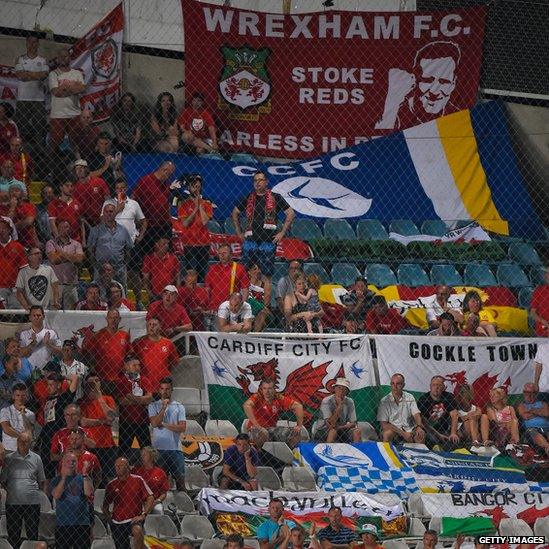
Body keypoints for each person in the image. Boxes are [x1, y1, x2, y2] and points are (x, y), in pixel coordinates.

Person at [375, 41, 461, 130]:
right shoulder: (397, 113)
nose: (433, 91)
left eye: (444, 82)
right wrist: (392, 105)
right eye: (427, 81)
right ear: (415, 80)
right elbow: (381, 136)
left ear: (453, 83)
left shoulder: (457, 116)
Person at [232, 171, 295, 284]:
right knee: (246, 274)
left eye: (260, 180)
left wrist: (282, 233)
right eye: (255, 180)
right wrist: (239, 232)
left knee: (266, 276)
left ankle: (265, 302)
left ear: (266, 182)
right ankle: (247, 300)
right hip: (250, 242)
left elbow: (291, 213)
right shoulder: (248, 198)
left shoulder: (276, 197)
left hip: (268, 242)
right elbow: (235, 212)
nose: (257, 183)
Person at [131, 161, 176, 309]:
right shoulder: (145, 181)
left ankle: (165, 294)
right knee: (147, 260)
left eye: (170, 174)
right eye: (167, 172)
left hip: (163, 225)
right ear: (162, 169)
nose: (168, 176)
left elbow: (166, 204)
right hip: (149, 226)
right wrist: (138, 221)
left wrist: (169, 221)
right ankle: (146, 293)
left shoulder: (166, 185)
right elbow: (133, 200)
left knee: (165, 258)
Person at [0, 432, 46, 548]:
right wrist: (13, 491)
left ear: (30, 443)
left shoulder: (37, 458)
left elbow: (42, 480)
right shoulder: (9, 459)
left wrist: (35, 492)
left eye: (26, 442)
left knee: (32, 534)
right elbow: (3, 480)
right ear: (17, 442)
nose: (23, 444)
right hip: (13, 503)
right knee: (13, 536)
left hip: (32, 503)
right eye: (21, 441)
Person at [103, 457, 154, 549]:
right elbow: (105, 505)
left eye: (121, 466)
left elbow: (150, 497)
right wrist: (109, 519)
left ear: (127, 467)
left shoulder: (138, 480)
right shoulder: (111, 484)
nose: (118, 468)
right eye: (116, 466)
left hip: (133, 519)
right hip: (117, 521)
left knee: (137, 530)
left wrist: (144, 514)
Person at [36, 370, 78, 477]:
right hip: (46, 438)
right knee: (46, 473)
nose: (48, 388)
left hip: (58, 437)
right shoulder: (48, 400)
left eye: (51, 385)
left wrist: (60, 376)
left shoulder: (64, 397)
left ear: (59, 385)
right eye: (47, 385)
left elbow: (75, 379)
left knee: (61, 470)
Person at [148, 377, 187, 491]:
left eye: (167, 389)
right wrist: (164, 407)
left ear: (172, 390)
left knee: (180, 481)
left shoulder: (179, 406)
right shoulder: (153, 405)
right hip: (158, 449)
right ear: (159, 390)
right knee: (158, 483)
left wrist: (164, 424)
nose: (165, 391)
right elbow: (155, 423)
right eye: (162, 389)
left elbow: (182, 427)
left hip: (175, 448)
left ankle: (184, 503)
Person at [50, 451, 94, 549]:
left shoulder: (84, 478)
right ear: (63, 463)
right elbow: (56, 495)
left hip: (82, 523)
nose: (71, 463)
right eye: (68, 461)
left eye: (74, 461)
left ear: (77, 463)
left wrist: (85, 474)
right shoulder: (56, 480)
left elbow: (88, 493)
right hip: (63, 523)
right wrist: (63, 478)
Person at [243, 378, 304, 449]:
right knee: (263, 433)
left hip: (271, 430)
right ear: (261, 389)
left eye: (270, 388)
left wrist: (299, 425)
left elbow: (298, 406)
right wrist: (258, 426)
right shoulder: (258, 396)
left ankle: (290, 454)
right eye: (264, 388)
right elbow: (246, 405)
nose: (267, 391)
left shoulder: (278, 398)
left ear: (274, 389)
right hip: (255, 429)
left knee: (295, 432)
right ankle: (259, 455)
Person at [79, 373, 118, 481]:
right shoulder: (82, 402)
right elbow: (83, 422)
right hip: (89, 445)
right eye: (92, 382)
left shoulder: (107, 399)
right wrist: (102, 421)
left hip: (107, 444)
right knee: (89, 476)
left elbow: (111, 417)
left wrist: (99, 396)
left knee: (107, 477)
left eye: (97, 381)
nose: (95, 384)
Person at [174, 173, 213, 282]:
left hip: (204, 243)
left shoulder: (207, 203)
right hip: (189, 243)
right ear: (189, 187)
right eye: (193, 186)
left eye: (198, 186)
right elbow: (185, 224)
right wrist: (195, 209)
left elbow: (205, 221)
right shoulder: (183, 204)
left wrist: (199, 204)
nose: (196, 188)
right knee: (190, 272)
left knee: (202, 273)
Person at [87, 201, 133, 288]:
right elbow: (90, 251)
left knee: (120, 292)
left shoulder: (123, 230)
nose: (109, 214)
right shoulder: (95, 230)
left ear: (115, 213)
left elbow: (128, 250)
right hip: (101, 269)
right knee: (101, 295)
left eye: (111, 211)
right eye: (106, 212)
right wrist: (95, 266)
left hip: (119, 268)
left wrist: (124, 265)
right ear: (103, 213)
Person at [48, 47, 85, 151]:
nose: (63, 58)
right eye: (60, 56)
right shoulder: (53, 74)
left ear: (70, 58)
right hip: (58, 114)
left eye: (65, 56)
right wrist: (73, 88)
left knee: (75, 141)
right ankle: (51, 163)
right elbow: (56, 93)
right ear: (58, 59)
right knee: (56, 141)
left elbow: (82, 89)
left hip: (74, 113)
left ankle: (77, 163)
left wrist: (64, 87)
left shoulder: (77, 73)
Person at [14, 35, 49, 147]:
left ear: (38, 44)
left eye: (35, 42)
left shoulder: (43, 60)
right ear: (26, 43)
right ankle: (21, 150)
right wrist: (36, 75)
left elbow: (44, 75)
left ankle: (39, 152)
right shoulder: (20, 59)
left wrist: (27, 72)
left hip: (38, 100)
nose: (32, 44)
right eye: (30, 42)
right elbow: (21, 76)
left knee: (39, 128)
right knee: (21, 127)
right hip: (23, 99)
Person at [116, 354, 153, 457]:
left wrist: (131, 397)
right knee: (123, 452)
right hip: (126, 422)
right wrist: (141, 399)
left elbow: (149, 399)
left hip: (142, 421)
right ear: (126, 366)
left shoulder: (145, 380)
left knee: (147, 451)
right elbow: (122, 401)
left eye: (138, 365)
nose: (137, 368)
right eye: (134, 365)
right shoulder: (121, 381)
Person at [80, 308, 131, 383]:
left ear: (120, 319)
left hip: (120, 378)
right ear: (107, 319)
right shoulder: (98, 335)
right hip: (101, 378)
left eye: (115, 318)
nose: (113, 320)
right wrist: (91, 366)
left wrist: (126, 367)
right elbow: (85, 352)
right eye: (110, 318)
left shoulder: (125, 335)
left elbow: (129, 354)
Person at [45, 219, 84, 309]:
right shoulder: (50, 243)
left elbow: (79, 260)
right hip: (55, 286)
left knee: (71, 314)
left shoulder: (76, 244)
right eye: (61, 227)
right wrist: (71, 257)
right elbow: (54, 260)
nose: (63, 229)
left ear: (70, 229)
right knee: (54, 312)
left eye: (66, 227)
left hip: (71, 285)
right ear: (57, 229)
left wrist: (60, 253)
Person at [205, 244, 250, 319]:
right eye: (220, 253)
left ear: (231, 254)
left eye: (224, 253)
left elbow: (245, 290)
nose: (222, 255)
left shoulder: (239, 268)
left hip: (232, 308)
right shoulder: (212, 269)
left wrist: (241, 307)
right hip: (214, 308)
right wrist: (207, 306)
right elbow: (207, 289)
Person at [377, 373, 425, 443]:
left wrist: (419, 427)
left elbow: (416, 415)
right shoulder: (384, 401)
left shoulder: (410, 397)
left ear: (403, 385)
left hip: (410, 429)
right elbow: (384, 424)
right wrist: (403, 434)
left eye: (398, 384)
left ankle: (419, 453)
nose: (395, 386)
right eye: (392, 383)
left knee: (420, 433)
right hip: (394, 430)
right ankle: (387, 453)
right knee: (387, 434)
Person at [133, 317, 179, 387]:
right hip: (144, 385)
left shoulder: (168, 343)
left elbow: (174, 362)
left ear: (160, 327)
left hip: (163, 387)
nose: (151, 327)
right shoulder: (138, 343)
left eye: (154, 325)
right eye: (149, 324)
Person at [418, 375, 460, 450]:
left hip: (444, 430)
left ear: (443, 387)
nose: (436, 387)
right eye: (434, 385)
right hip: (429, 430)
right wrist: (438, 435)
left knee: (453, 442)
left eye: (439, 385)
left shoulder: (448, 397)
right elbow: (423, 422)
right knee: (433, 440)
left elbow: (454, 415)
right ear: (430, 386)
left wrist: (453, 433)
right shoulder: (423, 399)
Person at [317, 378, 361, 443]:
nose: (341, 391)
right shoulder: (326, 401)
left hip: (342, 429)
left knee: (357, 431)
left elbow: (353, 422)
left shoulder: (349, 401)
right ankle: (328, 451)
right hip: (324, 429)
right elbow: (331, 424)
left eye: (344, 389)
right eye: (339, 388)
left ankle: (356, 451)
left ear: (347, 392)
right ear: (334, 389)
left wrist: (341, 427)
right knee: (333, 431)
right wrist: (339, 406)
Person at [19, 305, 62, 370]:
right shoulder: (24, 334)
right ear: (30, 317)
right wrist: (32, 344)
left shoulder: (51, 333)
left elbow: (60, 353)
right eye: (34, 315)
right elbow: (21, 354)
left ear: (43, 317)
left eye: (39, 315)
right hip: (28, 370)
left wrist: (48, 344)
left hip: (47, 370)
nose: (36, 317)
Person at [0, 217, 27, 308]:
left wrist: (20, 287)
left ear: (9, 230)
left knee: (16, 313)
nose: (1, 230)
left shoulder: (18, 247)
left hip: (15, 288)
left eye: (4, 228)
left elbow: (23, 269)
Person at [0, 382, 35, 452]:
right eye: (18, 395)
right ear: (13, 396)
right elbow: (7, 429)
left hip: (24, 450)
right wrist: (22, 437)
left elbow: (29, 431)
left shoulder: (31, 414)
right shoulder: (5, 411)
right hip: (9, 449)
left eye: (23, 395)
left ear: (26, 396)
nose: (20, 398)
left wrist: (23, 415)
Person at [73, 158, 109, 225]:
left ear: (87, 169)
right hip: (87, 221)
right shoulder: (76, 188)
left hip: (102, 216)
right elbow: (77, 206)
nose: (79, 170)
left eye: (81, 168)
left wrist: (105, 214)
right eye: (77, 169)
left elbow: (107, 199)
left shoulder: (99, 181)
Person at [2, 182, 39, 249]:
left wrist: (13, 227)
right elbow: (6, 224)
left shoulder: (29, 206)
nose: (14, 192)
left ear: (22, 194)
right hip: (10, 243)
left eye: (17, 190)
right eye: (12, 190)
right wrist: (12, 207)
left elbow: (29, 221)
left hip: (28, 241)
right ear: (9, 194)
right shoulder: (5, 208)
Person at [142, 237, 180, 301]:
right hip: (154, 294)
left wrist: (176, 293)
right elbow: (145, 279)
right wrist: (151, 294)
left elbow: (177, 278)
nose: (166, 246)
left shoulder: (173, 258)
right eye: (164, 243)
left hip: (170, 294)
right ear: (156, 244)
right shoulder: (148, 258)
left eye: (167, 244)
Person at [133, 446, 170, 513]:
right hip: (140, 502)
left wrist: (157, 501)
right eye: (141, 455)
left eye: (144, 455)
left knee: (158, 510)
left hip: (155, 501)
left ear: (151, 457)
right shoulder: (136, 471)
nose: (142, 457)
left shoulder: (160, 472)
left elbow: (164, 493)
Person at [516, 383, 549, 456]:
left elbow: (547, 413)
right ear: (524, 393)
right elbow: (525, 416)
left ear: (536, 393)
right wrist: (539, 412)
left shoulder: (543, 403)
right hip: (532, 430)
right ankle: (547, 447)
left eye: (532, 392)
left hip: (547, 428)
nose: (529, 395)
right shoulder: (521, 405)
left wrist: (532, 411)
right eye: (527, 392)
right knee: (533, 432)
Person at [247, 262, 272, 332]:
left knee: (262, 313)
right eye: (255, 269)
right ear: (249, 272)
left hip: (262, 311)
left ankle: (254, 338)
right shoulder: (245, 284)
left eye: (259, 269)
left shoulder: (265, 284)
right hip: (247, 310)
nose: (258, 271)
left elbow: (266, 304)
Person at [530, 267, 549, 337]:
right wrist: (542, 321)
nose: (546, 276)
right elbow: (532, 313)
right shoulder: (539, 291)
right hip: (543, 326)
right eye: (546, 273)